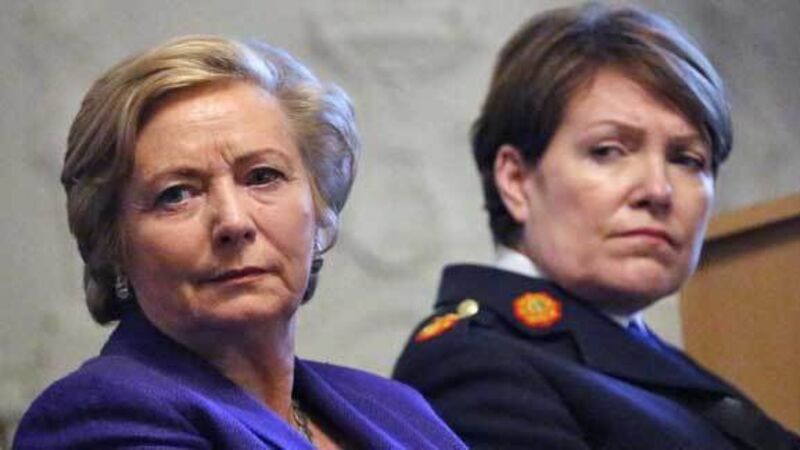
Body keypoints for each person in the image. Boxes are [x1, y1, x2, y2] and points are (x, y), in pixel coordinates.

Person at [14, 35, 465, 450]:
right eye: (176, 194)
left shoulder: (396, 408)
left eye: (263, 176)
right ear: (114, 246)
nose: (233, 222)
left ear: (320, 209)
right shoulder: (96, 418)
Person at [393, 4, 800, 450]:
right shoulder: (473, 363)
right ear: (516, 180)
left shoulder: (646, 359)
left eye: (687, 159)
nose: (658, 190)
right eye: (608, 151)